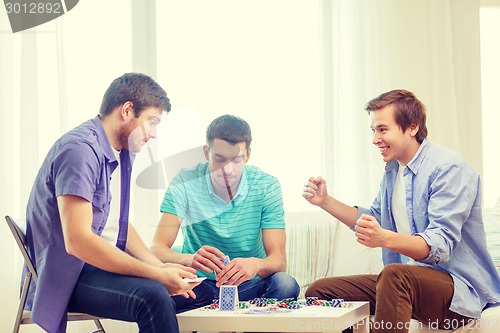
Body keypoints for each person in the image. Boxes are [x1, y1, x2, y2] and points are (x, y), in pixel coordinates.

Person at [24, 73, 212, 333]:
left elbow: (118, 225)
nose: (154, 134)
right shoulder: (80, 151)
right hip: (70, 275)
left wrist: (159, 266)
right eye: (152, 122)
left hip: (97, 266)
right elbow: (78, 241)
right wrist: (155, 274)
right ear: (127, 110)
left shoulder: (120, 153)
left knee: (199, 290)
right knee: (154, 296)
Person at [302, 89, 500, 333]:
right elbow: (374, 219)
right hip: (406, 284)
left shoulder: (448, 168)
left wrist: (384, 238)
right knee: (320, 292)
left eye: (382, 130)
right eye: (373, 130)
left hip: (458, 291)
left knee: (395, 276)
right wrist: (325, 201)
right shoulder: (393, 171)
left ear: (412, 127)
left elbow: (440, 246)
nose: (375, 139)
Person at [151, 114, 300, 303]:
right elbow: (157, 249)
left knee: (285, 284)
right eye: (219, 159)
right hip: (199, 284)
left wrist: (256, 264)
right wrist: (189, 259)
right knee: (156, 292)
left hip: (250, 284)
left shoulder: (266, 186)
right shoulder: (185, 182)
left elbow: (279, 261)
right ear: (207, 153)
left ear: (248, 155)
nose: (227, 170)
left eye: (236, 160)